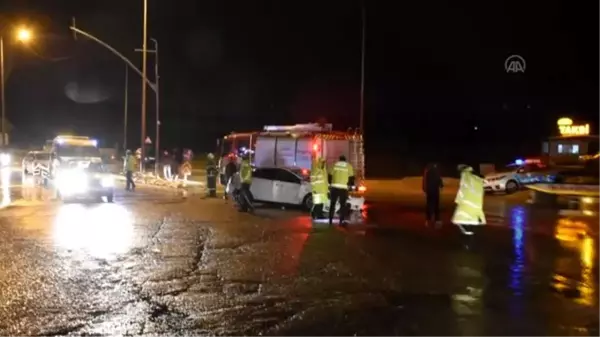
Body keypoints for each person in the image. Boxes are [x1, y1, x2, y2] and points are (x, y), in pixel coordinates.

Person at [452, 164, 486, 235]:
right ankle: (471, 232)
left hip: (467, 200)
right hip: (476, 202)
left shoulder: (465, 175)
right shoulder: (477, 178)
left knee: (461, 217)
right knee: (473, 217)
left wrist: (458, 199)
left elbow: (463, 188)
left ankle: (466, 233)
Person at [328, 155, 354, 226]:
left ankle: (330, 220)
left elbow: (329, 175)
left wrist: (330, 184)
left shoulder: (334, 165)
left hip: (334, 187)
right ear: (345, 160)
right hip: (343, 188)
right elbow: (351, 177)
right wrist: (350, 186)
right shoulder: (349, 166)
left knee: (332, 204)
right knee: (343, 205)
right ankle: (341, 220)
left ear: (339, 159)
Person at [422, 162, 444, 227]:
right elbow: (438, 179)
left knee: (429, 204)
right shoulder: (435, 171)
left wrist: (424, 189)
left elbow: (424, 180)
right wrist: (441, 185)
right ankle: (437, 220)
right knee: (436, 205)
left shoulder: (427, 171)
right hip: (435, 190)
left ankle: (428, 220)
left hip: (429, 190)